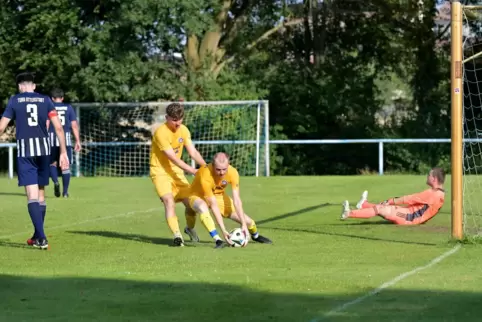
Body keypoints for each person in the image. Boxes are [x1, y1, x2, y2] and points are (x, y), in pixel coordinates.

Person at [0, 72, 69, 249]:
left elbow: (2, 127)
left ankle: (42, 237)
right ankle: (37, 235)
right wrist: (63, 152)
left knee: (31, 196)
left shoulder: (15, 100)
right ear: (34, 86)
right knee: (40, 194)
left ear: (19, 86)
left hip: (26, 153)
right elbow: (59, 128)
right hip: (44, 152)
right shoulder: (46, 100)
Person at [186, 152, 273, 248]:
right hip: (197, 195)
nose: (222, 172)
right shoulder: (205, 175)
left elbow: (237, 200)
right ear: (212, 165)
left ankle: (256, 236)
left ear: (228, 165)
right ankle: (218, 240)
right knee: (203, 207)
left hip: (218, 195)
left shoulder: (233, 172)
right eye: (218, 169)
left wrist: (243, 224)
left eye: (224, 169)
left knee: (248, 222)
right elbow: (213, 204)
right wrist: (223, 230)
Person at [150, 102, 206, 247]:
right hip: (160, 171)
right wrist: (193, 170)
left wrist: (205, 167)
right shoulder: (160, 133)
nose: (177, 123)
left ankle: (189, 229)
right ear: (166, 117)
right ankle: (177, 236)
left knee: (191, 205)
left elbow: (192, 152)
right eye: (174, 119)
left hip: (176, 171)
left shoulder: (184, 130)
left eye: (180, 119)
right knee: (169, 201)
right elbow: (173, 158)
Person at [340, 167, 446, 225]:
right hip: (410, 215)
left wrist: (391, 200)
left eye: (429, 175)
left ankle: (348, 213)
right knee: (384, 208)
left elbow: (409, 199)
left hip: (409, 217)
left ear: (434, 179)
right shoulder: (440, 194)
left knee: (380, 209)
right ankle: (363, 204)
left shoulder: (432, 194)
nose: (427, 177)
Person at [47, 88, 81, 198]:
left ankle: (56, 182)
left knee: (52, 163)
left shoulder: (49, 107)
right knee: (65, 166)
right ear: (62, 98)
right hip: (65, 140)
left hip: (51, 140)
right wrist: (77, 141)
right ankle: (65, 192)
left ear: (52, 98)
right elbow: (74, 125)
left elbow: (46, 124)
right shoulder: (69, 108)